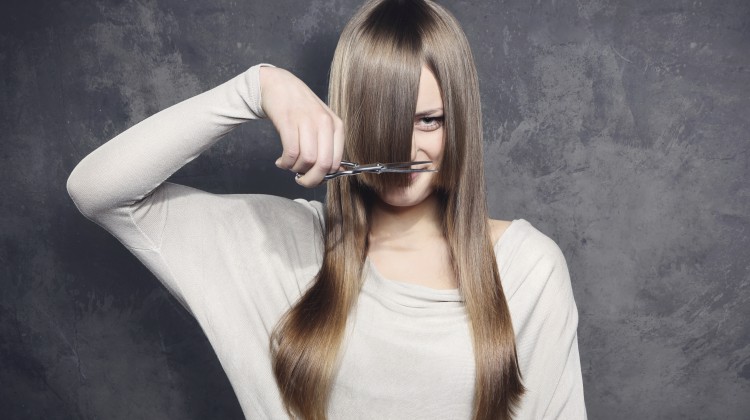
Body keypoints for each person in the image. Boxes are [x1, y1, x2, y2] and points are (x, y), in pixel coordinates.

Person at [66, 0, 587, 418]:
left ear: (461, 125)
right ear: (342, 118)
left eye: (429, 120)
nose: (405, 148)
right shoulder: (278, 246)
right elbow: (98, 191)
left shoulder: (527, 269)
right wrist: (257, 87)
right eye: (382, 117)